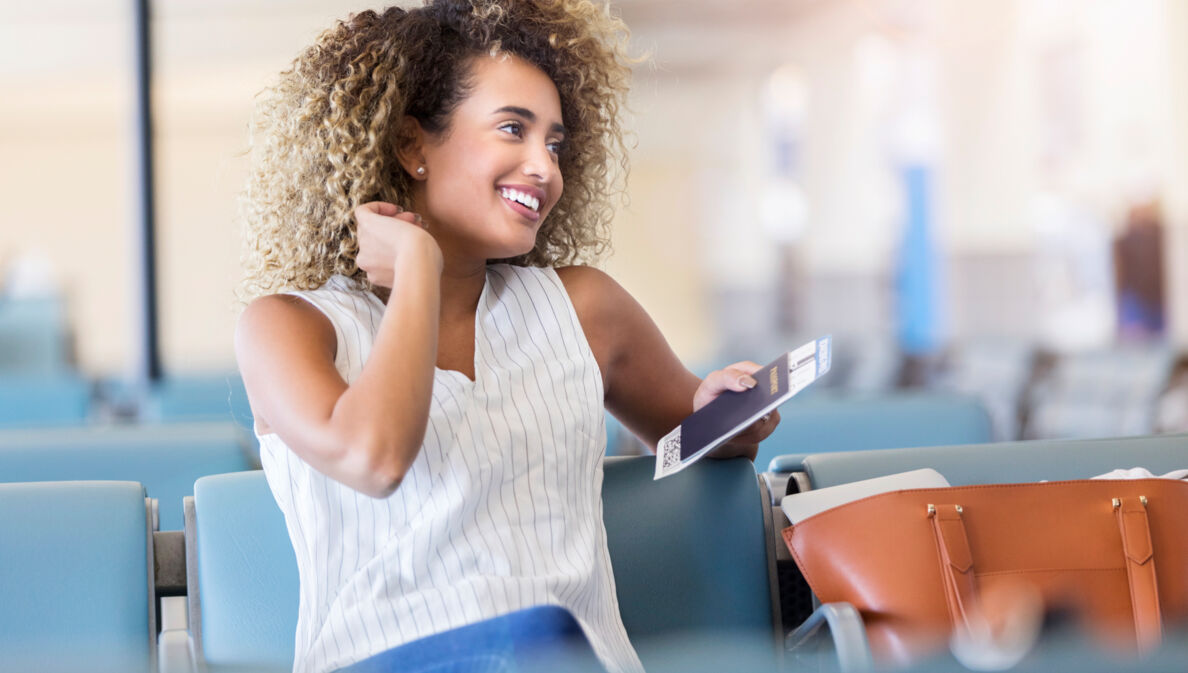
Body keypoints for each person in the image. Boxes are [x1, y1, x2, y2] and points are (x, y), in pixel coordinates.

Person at [235, 2, 780, 672]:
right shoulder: (287, 326)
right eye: (513, 130)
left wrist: (727, 413)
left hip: (565, 655)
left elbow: (689, 435)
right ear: (412, 146)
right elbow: (373, 458)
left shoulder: (584, 309)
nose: (544, 168)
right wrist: (417, 269)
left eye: (553, 143)